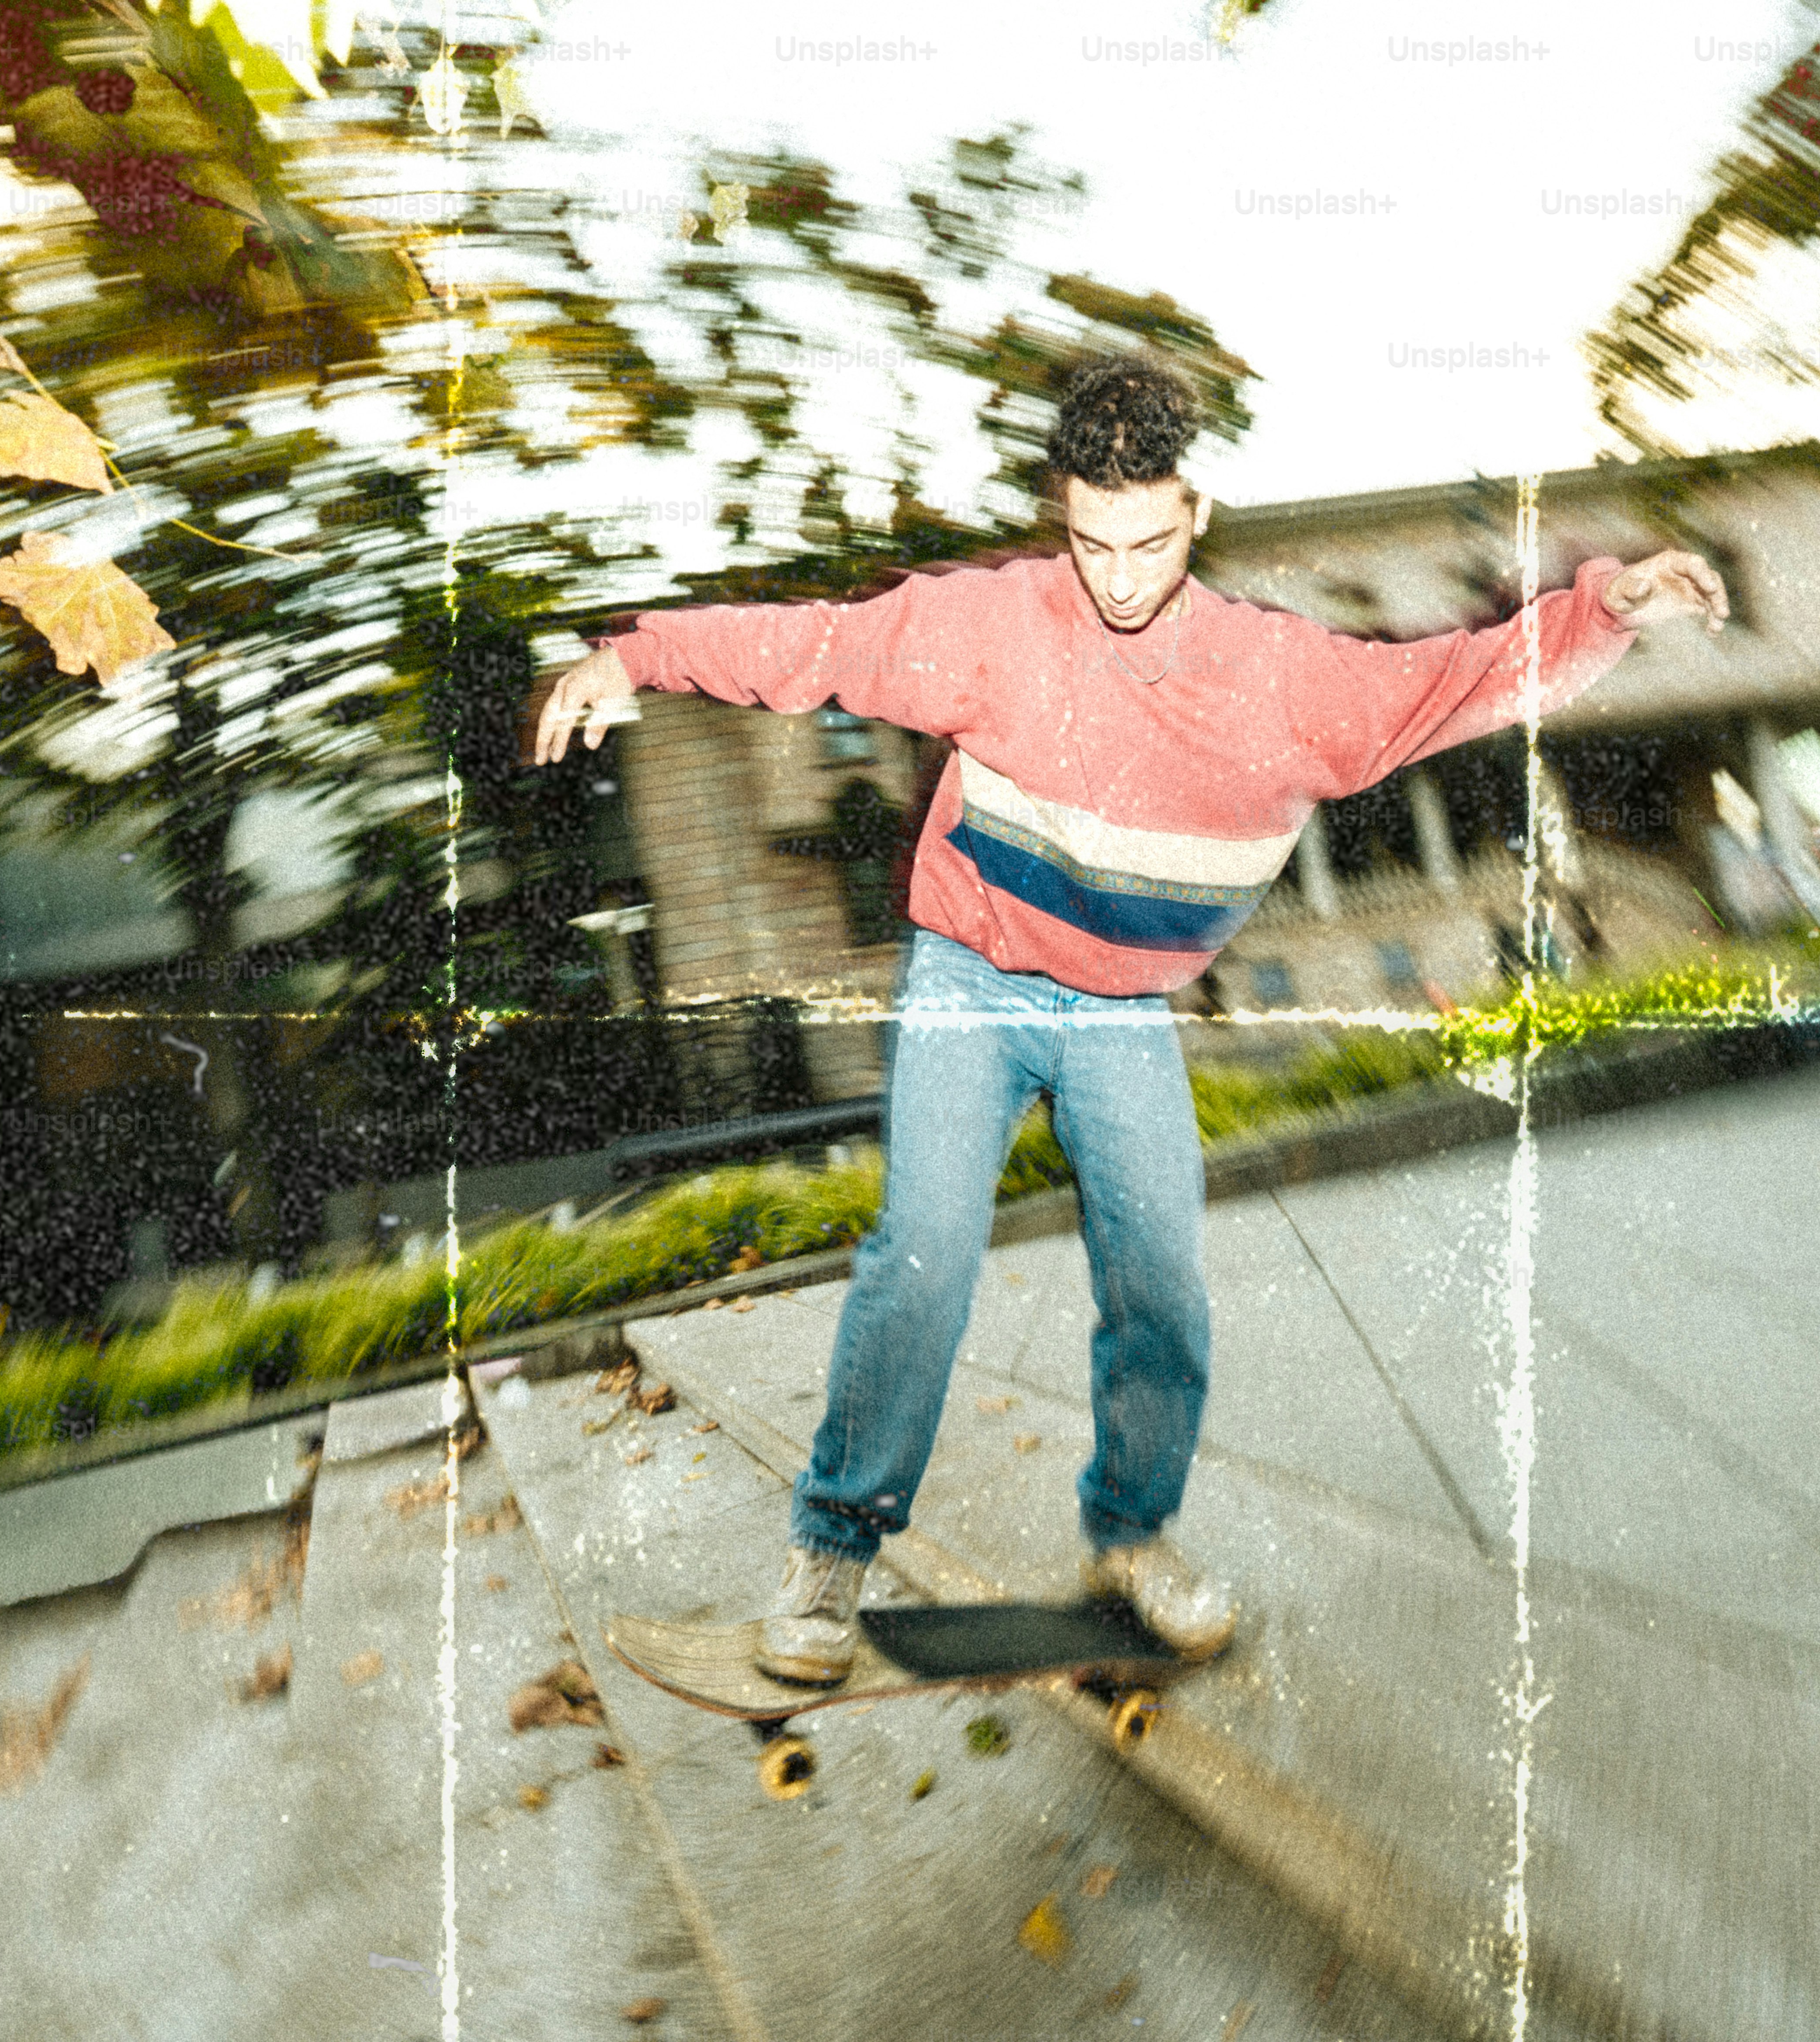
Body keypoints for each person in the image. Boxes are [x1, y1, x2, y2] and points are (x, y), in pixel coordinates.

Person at [532, 354, 1726, 1681]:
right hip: (970, 980)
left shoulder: (1280, 678)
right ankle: (828, 1561)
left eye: (1147, 541)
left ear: (1195, 513)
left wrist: (1605, 607)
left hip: (1122, 1014)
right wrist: (631, 656)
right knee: (923, 1256)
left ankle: (1132, 1536)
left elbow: (1456, 681)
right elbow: (815, 644)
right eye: (1090, 540)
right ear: (1064, 513)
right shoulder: (995, 622)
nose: (1114, 574)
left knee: (1161, 1288)